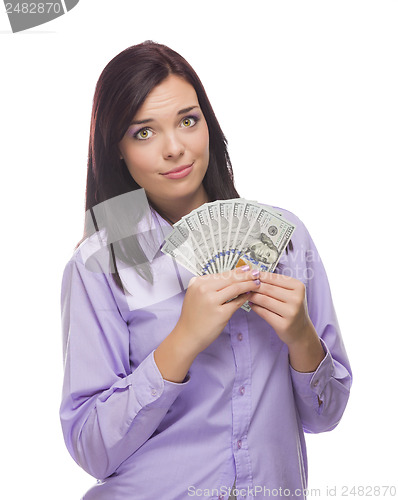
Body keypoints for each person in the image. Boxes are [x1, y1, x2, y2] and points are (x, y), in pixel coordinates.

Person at [59, 40, 352, 500]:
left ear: (208, 126)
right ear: (115, 148)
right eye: (143, 132)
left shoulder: (286, 237)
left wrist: (302, 339)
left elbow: (325, 416)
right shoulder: (102, 259)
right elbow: (91, 449)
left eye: (188, 121)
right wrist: (183, 340)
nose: (174, 148)